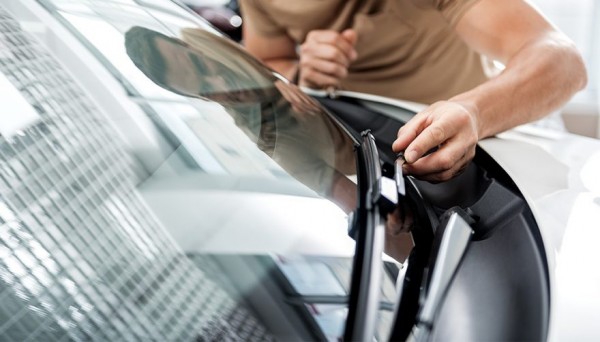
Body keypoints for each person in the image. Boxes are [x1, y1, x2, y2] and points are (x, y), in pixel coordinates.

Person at [239, 0, 588, 182]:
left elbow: (564, 62)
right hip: (370, 158)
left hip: (498, 134)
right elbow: (268, 61)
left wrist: (473, 112)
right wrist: (303, 71)